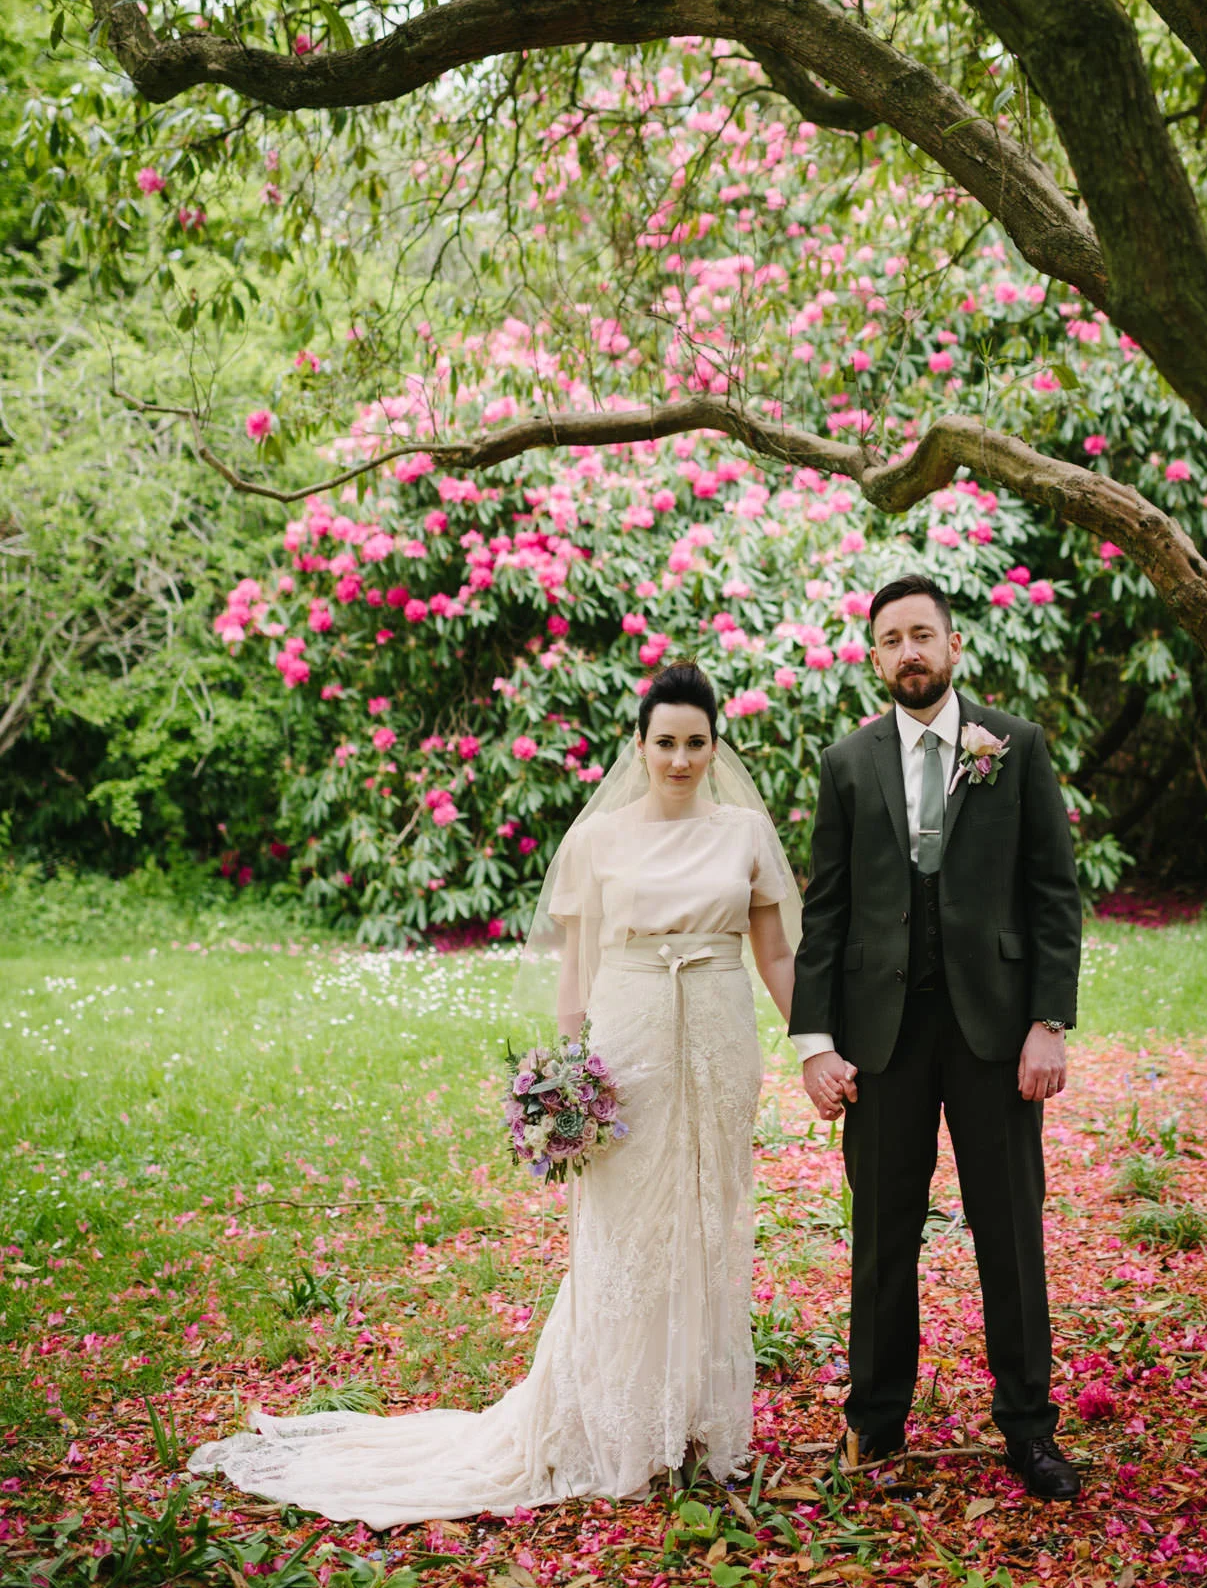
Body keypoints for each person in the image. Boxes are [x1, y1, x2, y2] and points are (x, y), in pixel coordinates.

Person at [188, 661, 801, 1527]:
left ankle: (694, 1420)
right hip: (631, 1049)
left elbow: (775, 954)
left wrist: (814, 1043)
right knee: (625, 1232)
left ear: (714, 745)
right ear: (639, 744)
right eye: (664, 741)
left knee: (708, 1218)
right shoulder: (599, 839)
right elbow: (576, 965)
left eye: (696, 742)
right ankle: (614, 1422)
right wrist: (569, 1075)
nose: (680, 758)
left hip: (718, 1039)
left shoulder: (743, 831)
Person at [789, 574, 1084, 1500]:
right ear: (873, 656)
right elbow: (826, 913)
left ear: (953, 647)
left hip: (996, 1031)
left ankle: (1029, 1429)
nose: (908, 651)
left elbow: (1052, 895)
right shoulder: (846, 763)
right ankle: (874, 1424)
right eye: (891, 639)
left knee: (1010, 1231)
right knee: (882, 1236)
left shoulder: (1016, 746)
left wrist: (1047, 1022)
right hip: (881, 1037)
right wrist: (814, 1040)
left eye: (924, 634)